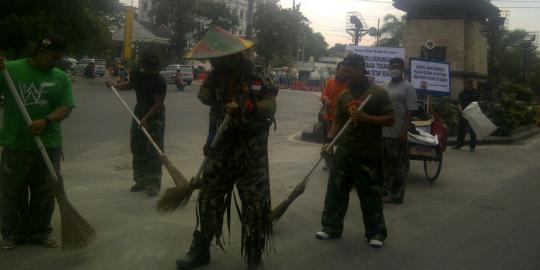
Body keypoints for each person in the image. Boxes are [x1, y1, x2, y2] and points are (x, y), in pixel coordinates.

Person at [175, 26, 278, 270]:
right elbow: (210, 103)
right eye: (210, 58)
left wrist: (249, 107)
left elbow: (271, 105)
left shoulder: (257, 72)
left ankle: (254, 255)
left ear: (231, 54)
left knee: (254, 204)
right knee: (209, 198)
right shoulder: (215, 76)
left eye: (215, 57)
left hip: (250, 151)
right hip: (221, 148)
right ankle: (201, 249)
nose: (210, 61)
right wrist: (210, 139)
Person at [0, 34, 75, 249]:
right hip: (16, 144)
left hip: (49, 144)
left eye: (59, 58)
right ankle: (12, 233)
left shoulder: (61, 77)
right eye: (53, 57)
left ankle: (40, 232)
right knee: (12, 193)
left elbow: (66, 107)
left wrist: (46, 120)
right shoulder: (10, 69)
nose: (56, 62)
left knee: (45, 192)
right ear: (40, 52)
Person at [315, 54, 394, 248]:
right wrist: (329, 141)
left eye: (349, 70)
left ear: (360, 69)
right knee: (336, 191)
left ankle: (376, 233)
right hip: (345, 151)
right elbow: (338, 121)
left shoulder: (378, 93)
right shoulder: (344, 96)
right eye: (343, 70)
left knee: (371, 194)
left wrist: (366, 118)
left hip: (368, 152)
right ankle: (331, 227)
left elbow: (390, 119)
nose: (345, 74)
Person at [105, 52, 166, 197]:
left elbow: (158, 103)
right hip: (140, 110)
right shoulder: (136, 74)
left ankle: (153, 183)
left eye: (154, 66)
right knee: (137, 146)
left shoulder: (159, 80)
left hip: (155, 114)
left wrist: (146, 119)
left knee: (154, 149)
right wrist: (115, 85)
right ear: (143, 64)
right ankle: (141, 181)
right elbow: (130, 85)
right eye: (148, 65)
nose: (151, 69)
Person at [381, 58, 417, 204]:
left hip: (397, 133)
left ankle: (397, 195)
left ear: (403, 69)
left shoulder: (408, 87)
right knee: (385, 165)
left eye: (397, 67)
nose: (394, 69)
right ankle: (385, 191)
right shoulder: (384, 85)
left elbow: (410, 111)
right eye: (392, 67)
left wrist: (404, 130)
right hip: (383, 132)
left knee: (399, 166)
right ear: (388, 68)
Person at [320, 62, 348, 170]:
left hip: (343, 119)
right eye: (342, 70)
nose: (345, 73)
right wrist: (325, 99)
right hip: (329, 117)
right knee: (327, 142)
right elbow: (324, 94)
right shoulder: (329, 82)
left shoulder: (349, 84)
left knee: (342, 143)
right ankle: (329, 164)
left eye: (346, 71)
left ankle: (340, 163)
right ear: (337, 71)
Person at [452, 79, 481, 152]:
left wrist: (477, 105)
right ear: (465, 85)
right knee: (461, 130)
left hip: (473, 114)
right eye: (466, 85)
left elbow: (480, 101)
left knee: (473, 131)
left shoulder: (476, 92)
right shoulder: (462, 93)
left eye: (469, 85)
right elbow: (459, 103)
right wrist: (461, 110)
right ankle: (458, 145)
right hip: (464, 114)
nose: (468, 86)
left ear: (471, 85)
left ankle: (472, 147)